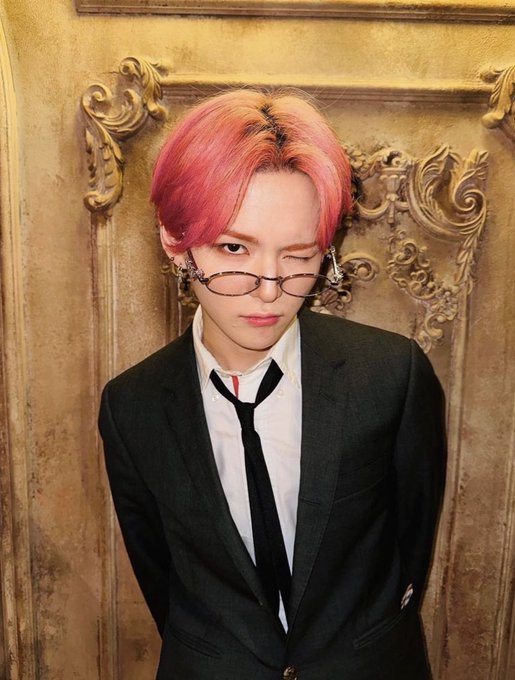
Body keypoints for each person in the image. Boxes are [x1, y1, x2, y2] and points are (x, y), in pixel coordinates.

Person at [98, 89, 446, 680]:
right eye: (234, 247)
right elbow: (162, 577)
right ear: (176, 243)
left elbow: (411, 543)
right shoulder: (131, 407)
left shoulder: (393, 376)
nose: (268, 289)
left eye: (298, 255)